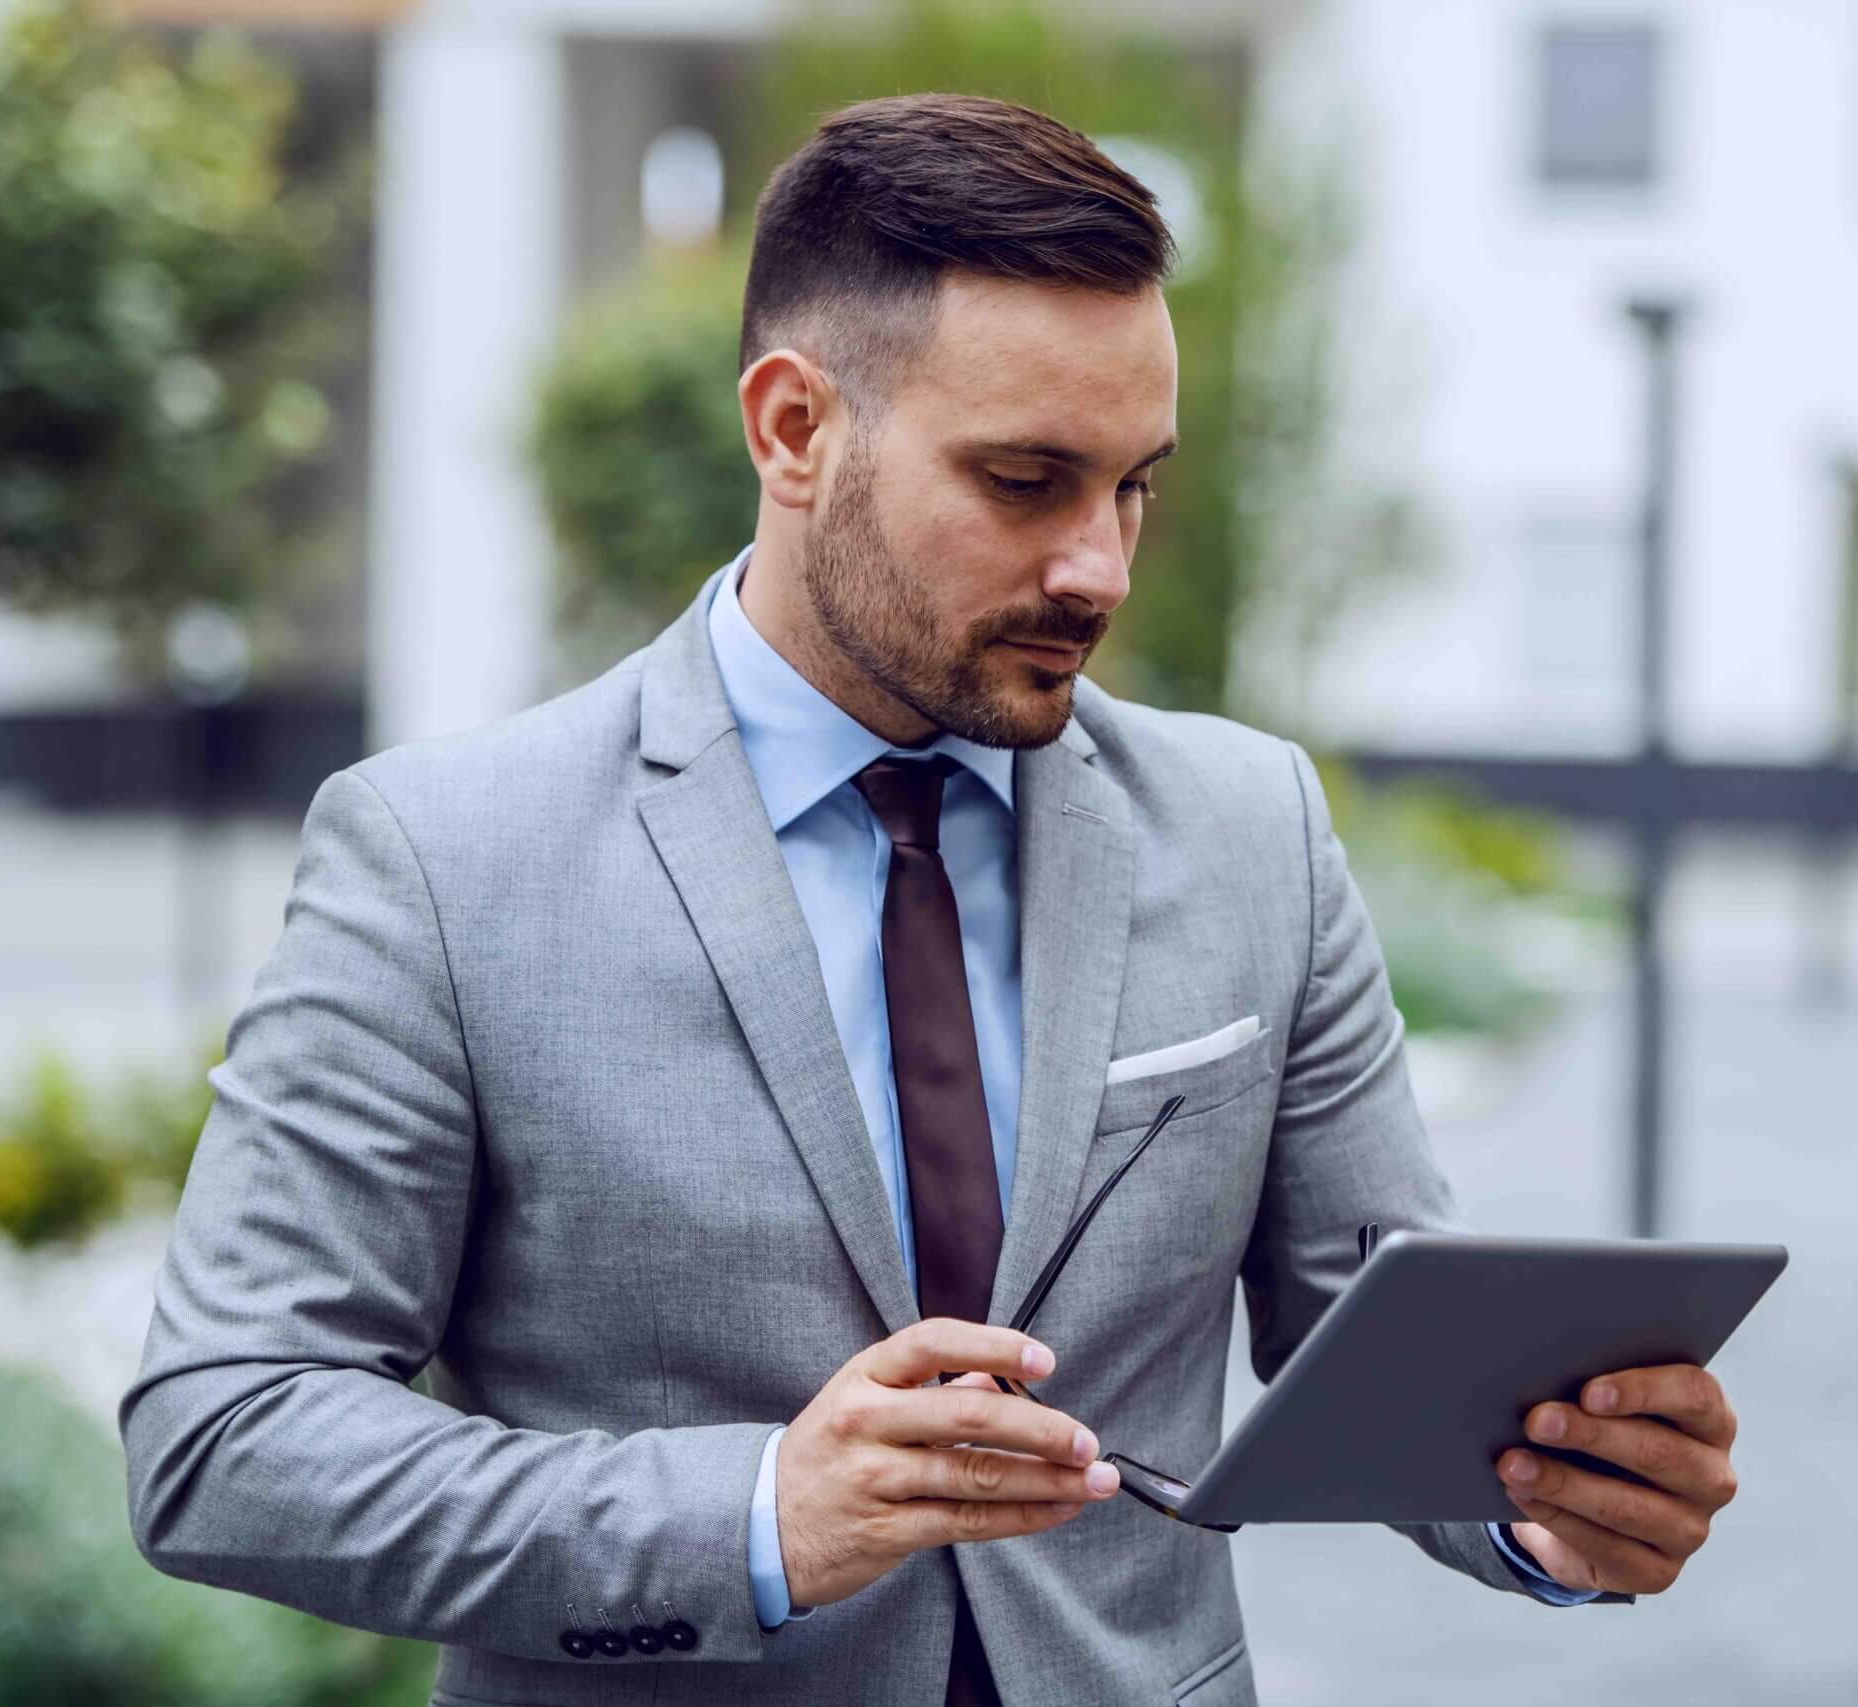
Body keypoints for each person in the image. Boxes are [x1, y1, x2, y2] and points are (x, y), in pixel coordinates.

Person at [118, 91, 1743, 1707]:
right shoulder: (443, 858)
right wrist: (755, 1518)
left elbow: (1384, 1359)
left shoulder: (1255, 827)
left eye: (1132, 487)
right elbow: (224, 1433)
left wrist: (1555, 1506)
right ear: (793, 430)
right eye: (1028, 480)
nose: (1100, 567)